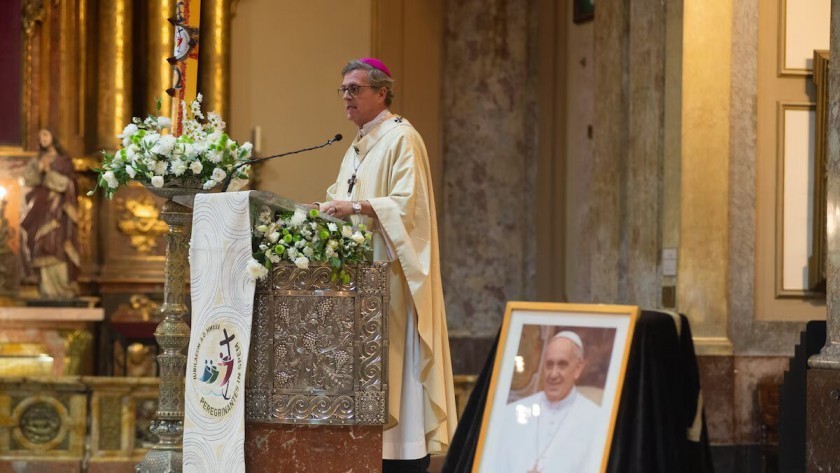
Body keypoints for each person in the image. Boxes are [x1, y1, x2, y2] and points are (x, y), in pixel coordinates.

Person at [319, 58, 457, 472]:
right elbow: (340, 197)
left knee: (395, 367)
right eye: (343, 89)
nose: (346, 96)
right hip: (359, 281)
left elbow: (408, 206)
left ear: (382, 92)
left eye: (355, 88)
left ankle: (403, 455)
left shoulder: (402, 138)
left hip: (392, 279)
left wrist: (356, 207)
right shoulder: (356, 147)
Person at [496, 331, 604, 473]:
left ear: (578, 369)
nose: (553, 374)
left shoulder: (597, 421)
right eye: (549, 365)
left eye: (562, 365)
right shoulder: (513, 413)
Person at [21, 128, 80, 299]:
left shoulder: (64, 161)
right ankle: (45, 289)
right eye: (40, 136)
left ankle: (61, 288)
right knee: (39, 242)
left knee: (56, 243)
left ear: (53, 137)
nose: (42, 138)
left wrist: (49, 173)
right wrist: (40, 169)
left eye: (45, 135)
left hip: (58, 209)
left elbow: (68, 184)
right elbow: (27, 179)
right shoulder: (36, 160)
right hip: (39, 206)